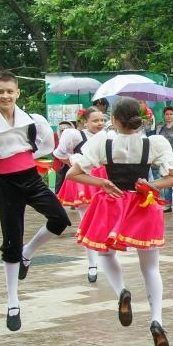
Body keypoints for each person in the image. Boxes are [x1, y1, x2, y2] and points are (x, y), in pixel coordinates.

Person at [67, 99, 173, 346]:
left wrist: (102, 183)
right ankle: (157, 320)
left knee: (105, 254)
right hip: (142, 205)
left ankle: (122, 292)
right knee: (150, 267)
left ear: (114, 120)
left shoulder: (103, 142)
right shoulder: (154, 143)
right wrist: (150, 185)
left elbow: (72, 174)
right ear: (140, 118)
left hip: (113, 202)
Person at [0, 71, 71, 331]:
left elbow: (45, 145)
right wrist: (0, 169)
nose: (5, 96)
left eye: (9, 91)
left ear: (17, 93)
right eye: (0, 91)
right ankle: (12, 302)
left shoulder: (32, 120)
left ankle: (29, 252)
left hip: (31, 178)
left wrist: (23, 159)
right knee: (11, 240)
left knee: (60, 219)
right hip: (6, 183)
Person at [54, 107, 108, 283]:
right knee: (87, 221)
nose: (100, 123)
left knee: (105, 220)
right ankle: (92, 264)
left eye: (102, 120)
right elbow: (59, 153)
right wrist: (74, 164)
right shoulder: (75, 135)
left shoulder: (108, 136)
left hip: (104, 179)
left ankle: (106, 258)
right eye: (95, 120)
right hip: (83, 180)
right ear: (85, 122)